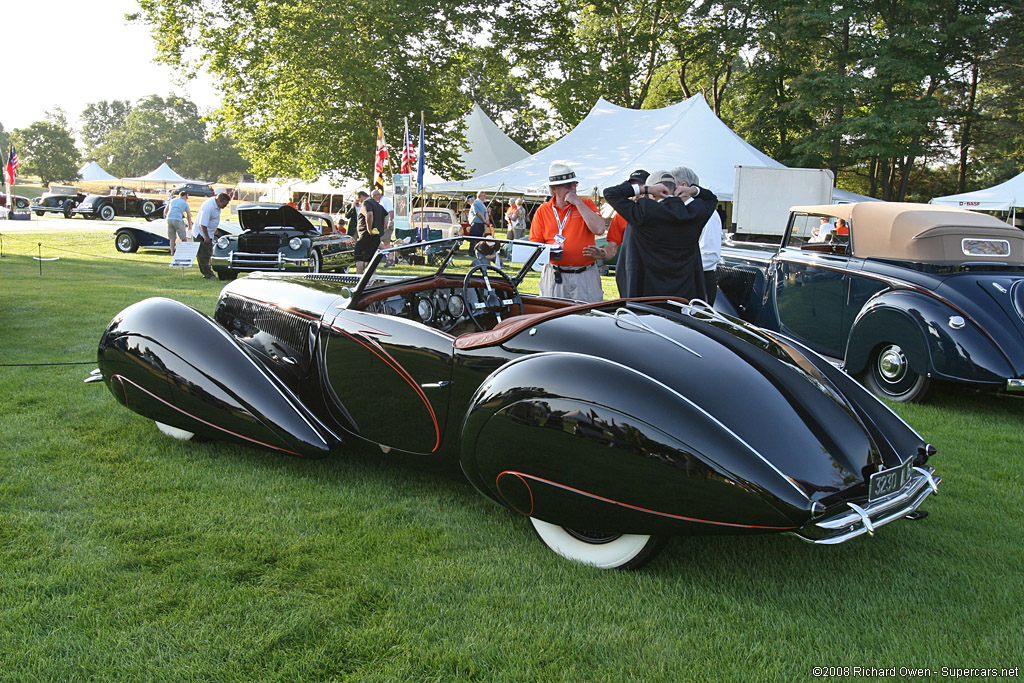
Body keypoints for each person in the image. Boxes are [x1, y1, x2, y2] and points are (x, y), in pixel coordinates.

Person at [602, 169, 718, 301]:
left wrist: (646, 189)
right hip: (684, 292)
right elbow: (711, 198)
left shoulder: (644, 212)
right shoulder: (693, 214)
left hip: (647, 293)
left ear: (653, 194)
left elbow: (610, 193)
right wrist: (693, 190)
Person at [529, 162, 606, 302]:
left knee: (588, 318)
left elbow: (599, 229)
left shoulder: (586, 204)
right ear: (554, 189)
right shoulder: (543, 210)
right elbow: (535, 244)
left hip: (585, 274)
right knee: (552, 318)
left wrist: (578, 203)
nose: (573, 189)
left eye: (574, 184)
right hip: (555, 274)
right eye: (567, 186)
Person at [585, 169, 648, 298]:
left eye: (640, 189)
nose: (637, 194)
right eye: (634, 189)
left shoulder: (659, 213)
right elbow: (612, 247)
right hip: (629, 272)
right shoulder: (621, 216)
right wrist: (602, 253)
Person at [671, 167, 722, 304]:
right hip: (684, 279)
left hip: (699, 280)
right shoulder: (680, 211)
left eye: (671, 186)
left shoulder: (706, 213)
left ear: (683, 186)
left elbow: (709, 255)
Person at [193, 192, 231, 279]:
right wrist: (206, 237)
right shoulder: (209, 207)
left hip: (209, 232)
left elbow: (213, 219)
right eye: (225, 204)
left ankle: (209, 272)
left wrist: (214, 230)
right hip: (201, 233)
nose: (225, 206)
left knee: (209, 252)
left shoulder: (217, 206)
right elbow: (202, 224)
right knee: (203, 254)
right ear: (219, 201)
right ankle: (207, 274)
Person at [355, 190, 387, 273]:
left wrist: (369, 229)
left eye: (359, 200)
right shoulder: (378, 205)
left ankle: (358, 278)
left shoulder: (366, 203)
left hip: (365, 234)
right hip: (376, 236)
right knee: (371, 258)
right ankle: (372, 278)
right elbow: (386, 216)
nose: (359, 202)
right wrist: (382, 228)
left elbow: (369, 214)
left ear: (362, 197)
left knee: (360, 257)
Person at [164, 190, 193, 254]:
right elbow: (188, 215)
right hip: (177, 219)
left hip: (169, 219)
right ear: (185, 196)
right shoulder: (185, 203)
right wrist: (190, 225)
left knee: (172, 238)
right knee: (183, 237)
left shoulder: (172, 201)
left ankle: (172, 252)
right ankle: (184, 252)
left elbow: (165, 211)